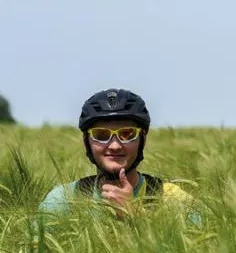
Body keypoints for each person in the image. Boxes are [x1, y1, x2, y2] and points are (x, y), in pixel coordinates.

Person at [38, 88, 199, 222]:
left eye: (127, 134)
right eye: (101, 135)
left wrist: (136, 216)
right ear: (87, 141)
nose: (114, 145)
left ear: (142, 139)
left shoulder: (172, 199)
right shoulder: (63, 201)